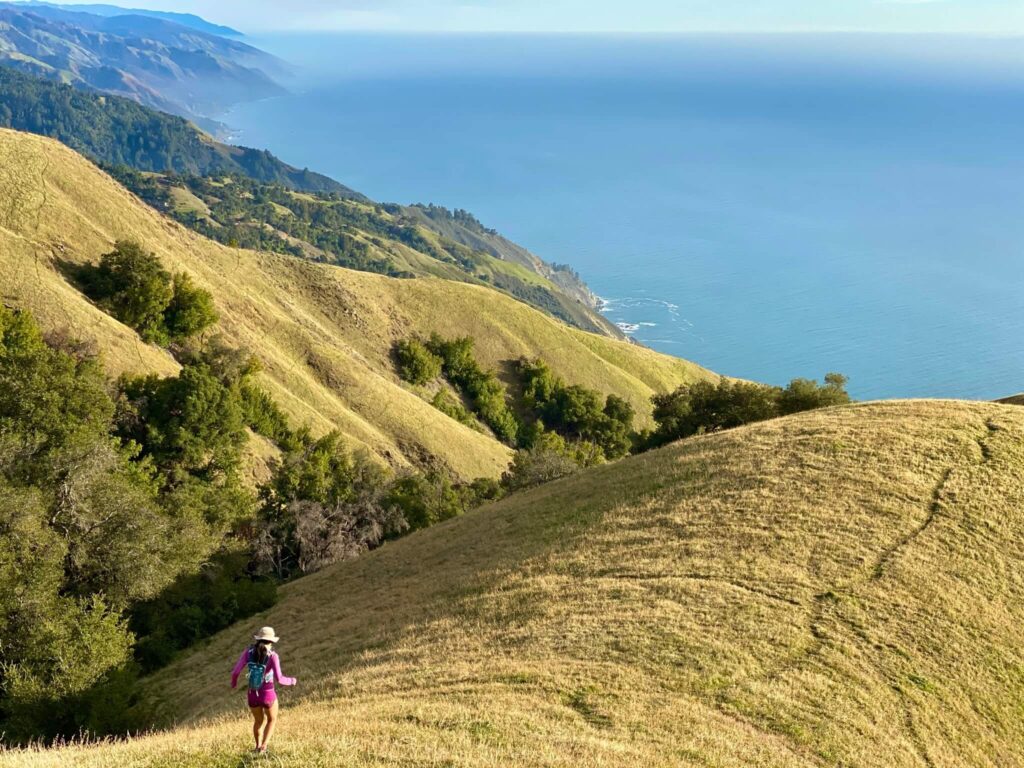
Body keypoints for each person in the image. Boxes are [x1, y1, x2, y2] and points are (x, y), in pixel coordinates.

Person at [230, 626, 297, 754]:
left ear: (258, 639)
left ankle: (257, 746)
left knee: (258, 721)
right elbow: (280, 679)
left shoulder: (248, 653)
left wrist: (234, 684)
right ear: (271, 642)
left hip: (252, 694)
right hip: (268, 695)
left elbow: (235, 672)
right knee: (272, 719)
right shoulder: (273, 656)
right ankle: (264, 747)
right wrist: (292, 681)